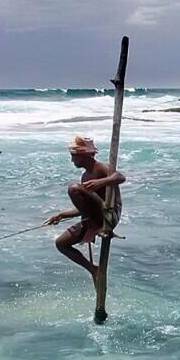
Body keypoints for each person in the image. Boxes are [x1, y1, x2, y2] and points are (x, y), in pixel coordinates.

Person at [44, 135, 126, 322]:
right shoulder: (85, 176)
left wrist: (101, 183)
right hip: (93, 217)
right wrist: (61, 215)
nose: (72, 160)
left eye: (75, 156)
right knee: (61, 243)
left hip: (108, 216)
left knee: (75, 188)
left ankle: (94, 226)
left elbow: (120, 177)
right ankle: (93, 269)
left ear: (85, 155)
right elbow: (84, 207)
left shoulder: (100, 168)